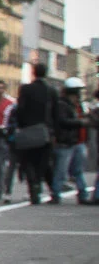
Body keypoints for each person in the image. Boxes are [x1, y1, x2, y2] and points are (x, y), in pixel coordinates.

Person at [10, 64, 55, 205]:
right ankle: (39, 184)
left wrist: (21, 125)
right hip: (44, 131)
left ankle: (32, 186)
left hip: (27, 129)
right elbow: (56, 113)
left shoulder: (26, 89)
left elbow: (20, 109)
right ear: (46, 73)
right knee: (43, 161)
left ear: (34, 73)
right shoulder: (51, 91)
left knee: (27, 161)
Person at [49, 77, 88, 205]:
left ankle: (82, 194)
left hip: (77, 141)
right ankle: (56, 194)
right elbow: (62, 121)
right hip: (66, 142)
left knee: (77, 171)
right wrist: (80, 122)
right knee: (61, 170)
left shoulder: (76, 105)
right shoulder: (62, 105)